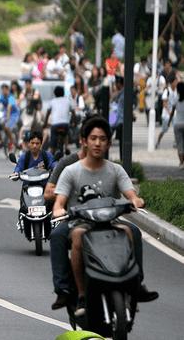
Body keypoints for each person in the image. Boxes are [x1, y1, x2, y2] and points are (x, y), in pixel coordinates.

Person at [52, 116, 155, 315]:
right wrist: (59, 209)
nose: (97, 143)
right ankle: (73, 292)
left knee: (132, 231)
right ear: (84, 141)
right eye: (93, 138)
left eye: (102, 138)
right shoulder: (71, 171)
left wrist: (136, 201)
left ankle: (137, 283)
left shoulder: (116, 170)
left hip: (110, 222)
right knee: (65, 236)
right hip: (80, 223)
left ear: (108, 142)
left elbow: (131, 195)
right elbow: (59, 201)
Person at [0, 83, 20, 152]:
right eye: (2, 90)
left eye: (5, 90)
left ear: (7, 90)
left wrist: (7, 118)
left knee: (6, 127)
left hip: (13, 114)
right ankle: (1, 141)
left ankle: (12, 141)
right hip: (5, 112)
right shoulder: (1, 96)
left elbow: (9, 107)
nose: (3, 91)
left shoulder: (11, 97)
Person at [44, 86, 74, 155]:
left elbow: (48, 113)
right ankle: (66, 147)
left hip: (55, 125)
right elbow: (73, 112)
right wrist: (74, 121)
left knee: (53, 141)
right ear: (63, 93)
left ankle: (52, 150)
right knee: (66, 134)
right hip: (65, 124)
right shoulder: (67, 100)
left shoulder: (52, 101)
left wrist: (45, 123)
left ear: (55, 94)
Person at [156, 72, 179, 149]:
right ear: (172, 82)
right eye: (175, 81)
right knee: (164, 130)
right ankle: (158, 141)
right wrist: (169, 113)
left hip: (174, 113)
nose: (176, 83)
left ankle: (176, 142)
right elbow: (164, 103)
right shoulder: (167, 91)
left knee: (176, 127)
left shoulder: (177, 91)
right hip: (166, 114)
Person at [169, 82, 184, 168]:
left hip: (177, 124)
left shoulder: (176, 99)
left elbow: (172, 112)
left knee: (179, 144)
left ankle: (181, 163)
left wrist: (168, 122)